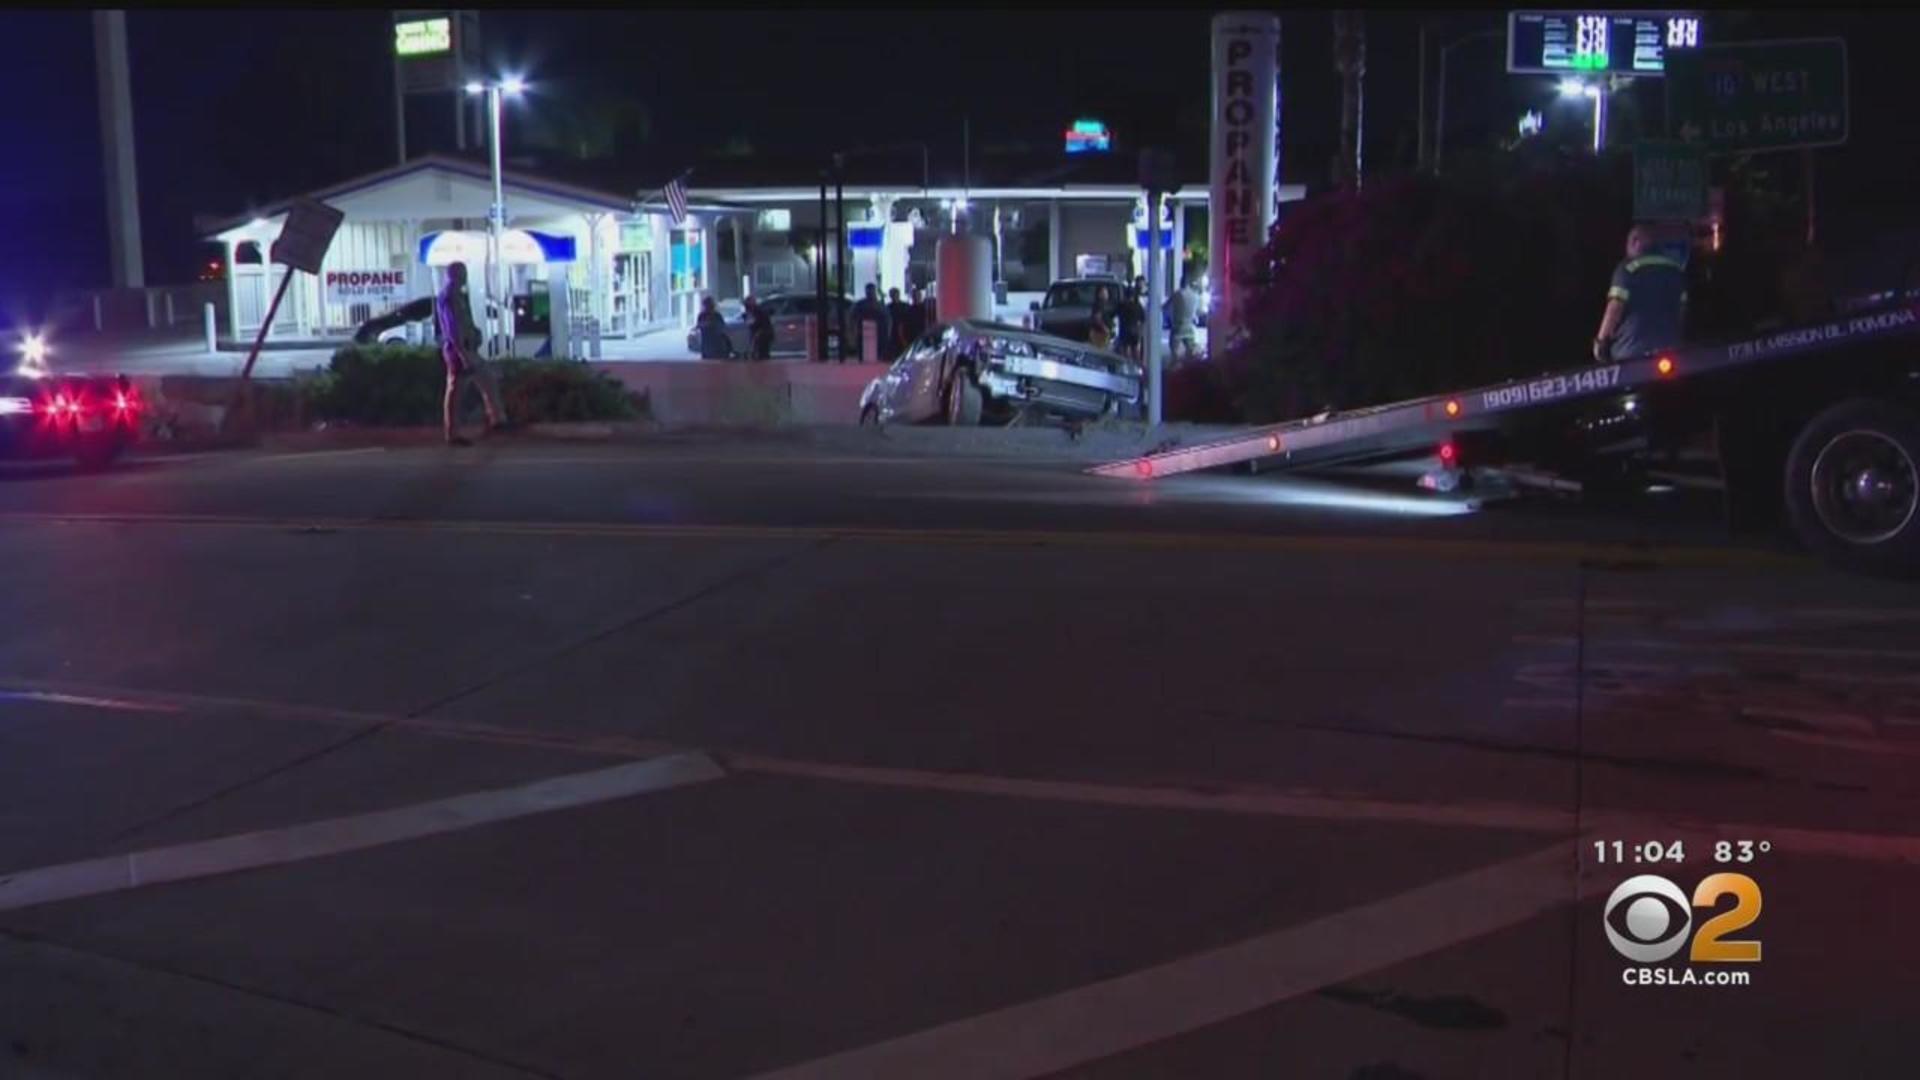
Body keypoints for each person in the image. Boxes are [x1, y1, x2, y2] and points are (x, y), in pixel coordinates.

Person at [434, 261, 507, 447]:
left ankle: (497, 420)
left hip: (468, 349)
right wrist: (463, 355)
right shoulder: (449, 297)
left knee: (487, 380)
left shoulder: (457, 296)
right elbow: (452, 328)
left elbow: (464, 322)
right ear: (454, 275)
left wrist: (474, 332)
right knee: (456, 392)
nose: (465, 276)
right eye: (462, 273)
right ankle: (452, 433)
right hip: (459, 350)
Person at [1593, 224, 1688, 364]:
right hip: (1671, 350)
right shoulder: (1675, 270)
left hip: (1631, 352)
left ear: (1636, 242)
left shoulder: (1627, 269)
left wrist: (1600, 342)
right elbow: (1682, 311)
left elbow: (1615, 308)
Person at [850, 283, 890, 363]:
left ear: (875, 291)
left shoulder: (880, 305)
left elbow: (888, 319)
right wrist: (854, 331)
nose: (870, 293)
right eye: (868, 291)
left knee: (878, 356)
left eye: (872, 291)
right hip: (864, 334)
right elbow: (852, 318)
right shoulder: (860, 304)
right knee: (863, 356)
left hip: (879, 335)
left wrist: (888, 332)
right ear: (866, 292)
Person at [1168, 276, 1200, 363]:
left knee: (1174, 348)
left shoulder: (1177, 294)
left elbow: (1166, 306)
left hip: (1178, 326)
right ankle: (1189, 367)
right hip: (1189, 327)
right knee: (1190, 351)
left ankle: (1175, 365)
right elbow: (1197, 312)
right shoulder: (1195, 295)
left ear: (1181, 282)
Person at [696, 295, 735, 360]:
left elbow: (722, 328)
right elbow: (699, 326)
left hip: (717, 345)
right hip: (707, 345)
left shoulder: (717, 315)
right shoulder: (702, 315)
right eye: (706, 305)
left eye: (709, 305)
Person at [1115, 281, 1145, 362]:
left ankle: (1127, 367)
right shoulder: (1138, 306)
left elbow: (1114, 314)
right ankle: (1137, 368)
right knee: (1135, 352)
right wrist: (1140, 331)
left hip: (1124, 331)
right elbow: (1143, 319)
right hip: (1135, 331)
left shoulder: (1121, 305)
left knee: (1125, 353)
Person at [885, 287, 913, 359]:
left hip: (904, 332)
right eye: (892, 295)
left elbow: (909, 320)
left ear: (898, 295)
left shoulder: (905, 306)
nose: (894, 296)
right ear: (890, 296)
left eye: (895, 294)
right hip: (892, 332)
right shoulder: (888, 307)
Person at [746, 295, 773, 361]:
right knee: (760, 352)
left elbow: (763, 324)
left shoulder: (759, 311)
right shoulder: (752, 311)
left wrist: (758, 332)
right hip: (761, 334)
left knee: (763, 352)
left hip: (764, 334)